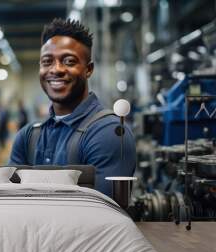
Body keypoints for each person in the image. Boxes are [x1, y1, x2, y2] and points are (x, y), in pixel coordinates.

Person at [8, 18, 136, 197]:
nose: (56, 69)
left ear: (88, 69)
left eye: (69, 61)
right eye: (47, 61)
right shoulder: (27, 136)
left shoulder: (110, 133)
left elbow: (103, 212)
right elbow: (10, 202)